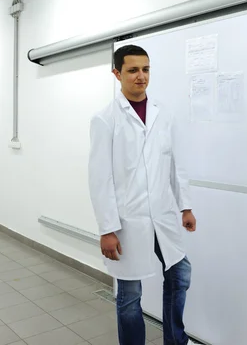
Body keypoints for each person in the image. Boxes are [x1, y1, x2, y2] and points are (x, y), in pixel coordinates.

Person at [88, 44, 197, 345]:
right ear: (116, 73)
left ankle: (175, 340)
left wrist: (185, 206)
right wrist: (107, 229)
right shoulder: (105, 119)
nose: (141, 76)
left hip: (162, 216)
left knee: (179, 274)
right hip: (127, 221)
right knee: (130, 295)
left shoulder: (164, 114)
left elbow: (175, 164)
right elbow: (100, 179)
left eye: (145, 69)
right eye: (133, 70)